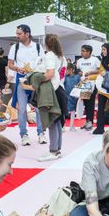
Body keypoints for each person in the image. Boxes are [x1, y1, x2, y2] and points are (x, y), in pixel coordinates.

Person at [7, 24, 46, 146]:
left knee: (39, 108)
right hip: (21, 80)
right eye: (17, 33)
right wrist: (18, 69)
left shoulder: (38, 47)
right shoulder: (15, 47)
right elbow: (10, 64)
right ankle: (24, 134)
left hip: (36, 80)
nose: (16, 35)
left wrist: (36, 70)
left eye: (19, 33)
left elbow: (43, 63)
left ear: (27, 34)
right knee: (22, 109)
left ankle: (41, 133)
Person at [37, 34, 68, 162]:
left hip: (52, 90)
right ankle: (57, 150)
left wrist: (36, 80)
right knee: (57, 121)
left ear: (46, 44)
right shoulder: (61, 57)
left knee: (52, 122)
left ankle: (53, 151)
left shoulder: (49, 56)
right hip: (60, 90)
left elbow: (49, 74)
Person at [76, 45, 101, 131]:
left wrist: (91, 72)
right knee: (85, 103)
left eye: (83, 51)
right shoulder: (79, 60)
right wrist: (80, 73)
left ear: (89, 52)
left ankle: (90, 121)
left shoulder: (95, 60)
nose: (82, 53)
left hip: (92, 83)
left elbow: (100, 70)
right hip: (83, 83)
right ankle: (87, 121)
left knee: (90, 102)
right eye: (81, 51)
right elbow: (78, 70)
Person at [64, 63, 81, 131]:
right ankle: (63, 126)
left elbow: (80, 85)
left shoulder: (77, 77)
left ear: (71, 70)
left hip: (74, 96)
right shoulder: (65, 77)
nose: (66, 71)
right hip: (66, 95)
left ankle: (72, 125)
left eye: (67, 70)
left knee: (73, 111)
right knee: (64, 111)